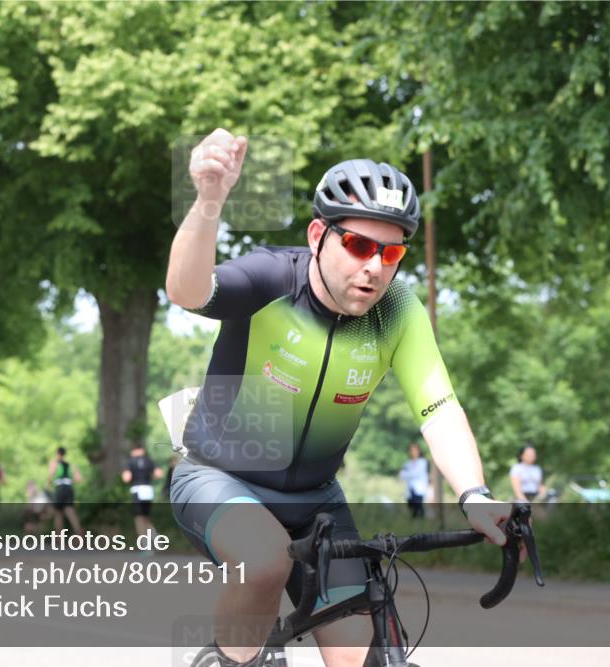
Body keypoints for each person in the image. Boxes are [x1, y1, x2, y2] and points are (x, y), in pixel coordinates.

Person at [165, 129, 519, 667]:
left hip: (315, 502)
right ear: (317, 236)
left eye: (392, 251)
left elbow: (438, 408)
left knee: (363, 658)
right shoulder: (272, 279)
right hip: (217, 478)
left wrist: (474, 494)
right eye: (358, 245)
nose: (374, 266)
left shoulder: (398, 311)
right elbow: (187, 291)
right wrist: (209, 201)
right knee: (264, 560)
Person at [121, 443, 166, 546]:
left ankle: (145, 545)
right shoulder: (149, 460)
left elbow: (126, 478)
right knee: (146, 517)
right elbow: (159, 473)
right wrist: (150, 477)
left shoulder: (130, 461)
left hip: (137, 490)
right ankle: (156, 539)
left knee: (138, 518)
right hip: (148, 490)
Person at [47, 447, 84, 536]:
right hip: (69, 488)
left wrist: (48, 483)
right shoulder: (71, 465)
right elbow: (79, 478)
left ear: (57, 453)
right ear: (65, 454)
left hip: (60, 488)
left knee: (58, 513)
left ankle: (59, 538)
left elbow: (51, 473)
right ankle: (79, 532)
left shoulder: (54, 463)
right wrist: (69, 481)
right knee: (70, 511)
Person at [399, 443, 429, 519]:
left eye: (415, 450)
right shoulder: (408, 463)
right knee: (411, 507)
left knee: (418, 508)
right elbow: (402, 475)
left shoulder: (422, 462)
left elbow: (414, 473)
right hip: (410, 489)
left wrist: (405, 474)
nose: (413, 452)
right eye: (411, 450)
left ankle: (421, 523)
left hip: (419, 489)